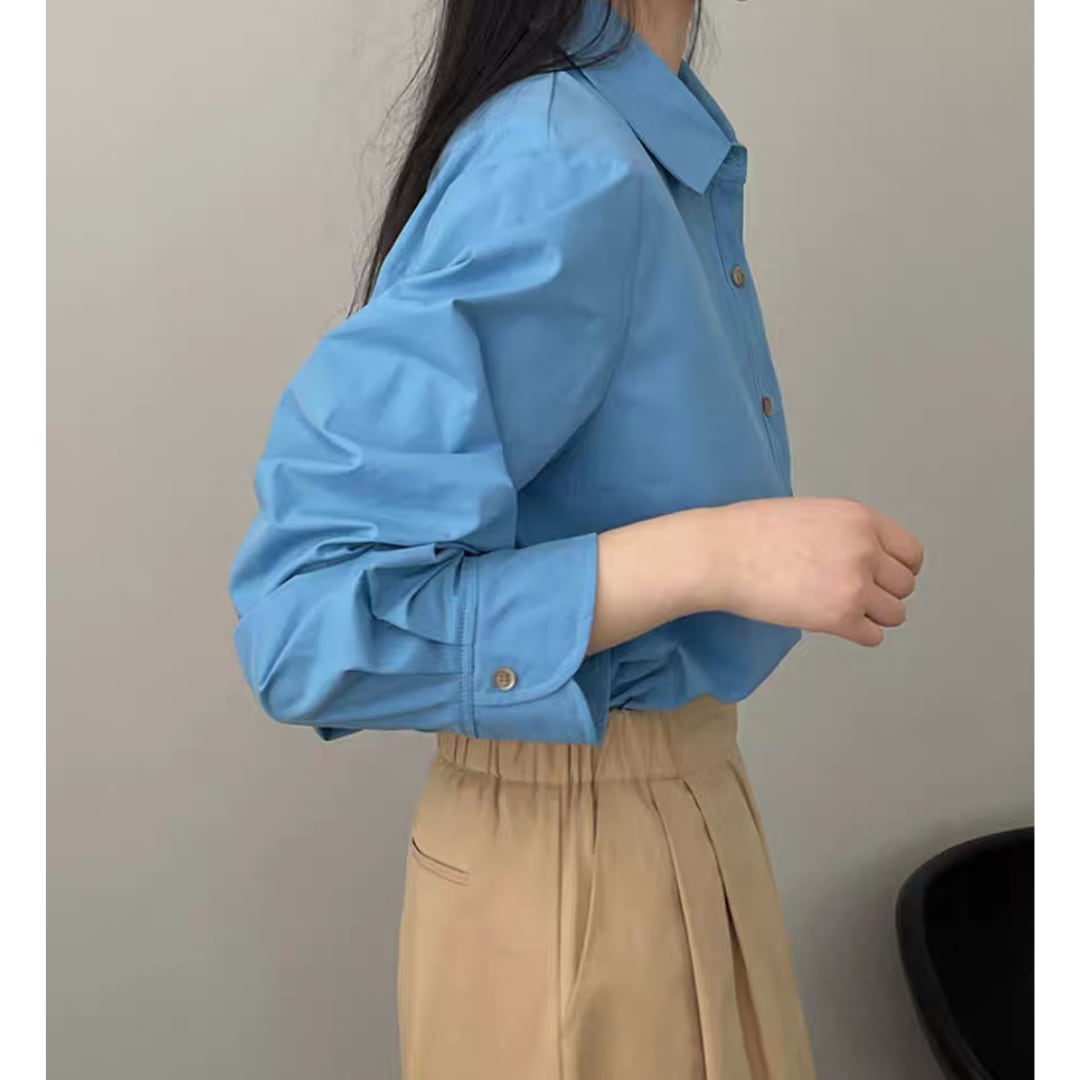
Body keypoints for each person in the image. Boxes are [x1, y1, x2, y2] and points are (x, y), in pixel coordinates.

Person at [228, 1, 924, 1076]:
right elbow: (306, 624)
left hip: (664, 830)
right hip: (578, 879)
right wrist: (715, 556)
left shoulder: (641, 143)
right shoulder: (560, 156)